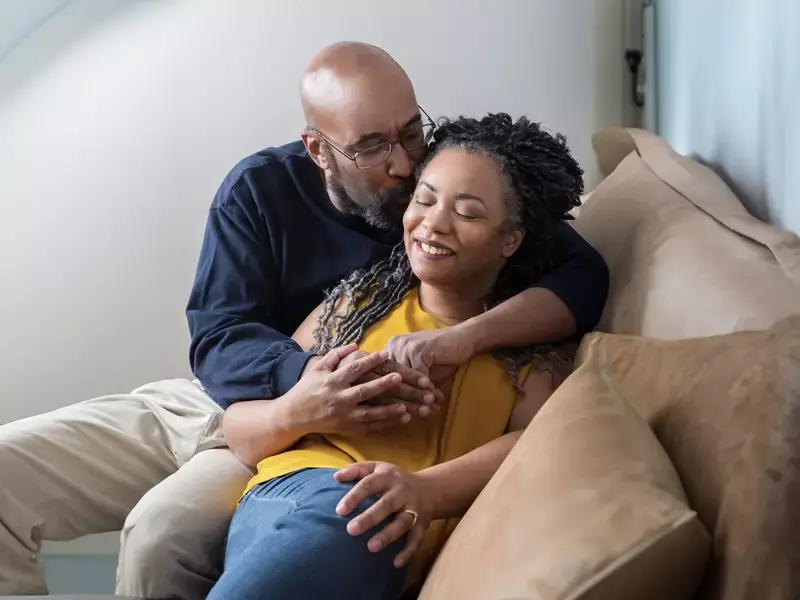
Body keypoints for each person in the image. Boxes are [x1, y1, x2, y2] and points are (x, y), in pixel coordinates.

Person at [0, 42, 608, 599]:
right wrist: (311, 381)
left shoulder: (448, 187)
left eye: (410, 132)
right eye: (371, 146)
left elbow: (582, 278)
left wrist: (457, 340)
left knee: (161, 534)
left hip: (310, 445)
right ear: (317, 148)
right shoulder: (259, 192)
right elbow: (217, 339)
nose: (402, 166)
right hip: (221, 404)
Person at [209, 112, 581, 600]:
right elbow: (238, 430)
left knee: (373, 511)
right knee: (359, 508)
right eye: (424, 199)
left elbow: (534, 445)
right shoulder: (357, 305)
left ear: (511, 238)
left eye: (467, 213)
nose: (434, 223)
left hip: (389, 535)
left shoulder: (532, 352)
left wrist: (425, 490)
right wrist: (300, 409)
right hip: (292, 492)